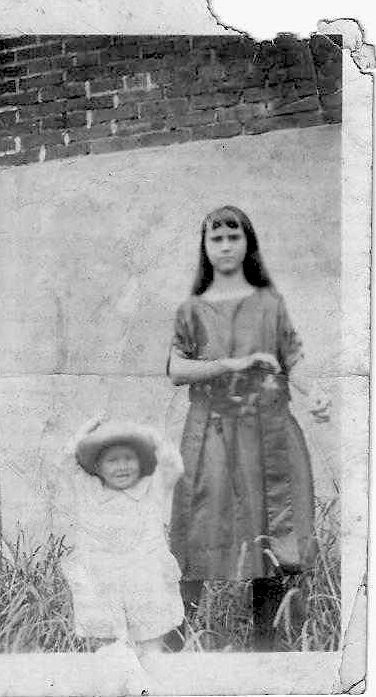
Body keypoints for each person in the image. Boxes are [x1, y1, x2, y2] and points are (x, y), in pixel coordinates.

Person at [165, 205, 331, 651]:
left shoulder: (270, 304)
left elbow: (293, 359)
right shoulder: (192, 310)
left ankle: (268, 648)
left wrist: (315, 393)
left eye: (233, 237)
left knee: (273, 534)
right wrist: (232, 364)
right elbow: (177, 368)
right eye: (216, 238)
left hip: (269, 434)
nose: (225, 246)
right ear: (205, 247)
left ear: (247, 243)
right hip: (213, 436)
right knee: (198, 531)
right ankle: (178, 646)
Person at [56, 417, 185, 659]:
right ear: (97, 467)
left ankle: (151, 668)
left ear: (141, 462)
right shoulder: (88, 492)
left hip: (146, 586)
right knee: (109, 651)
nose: (122, 466)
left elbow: (172, 466)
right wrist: (82, 434)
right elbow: (66, 465)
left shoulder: (151, 489)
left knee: (151, 647)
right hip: (103, 586)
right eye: (112, 460)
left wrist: (154, 437)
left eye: (129, 458)